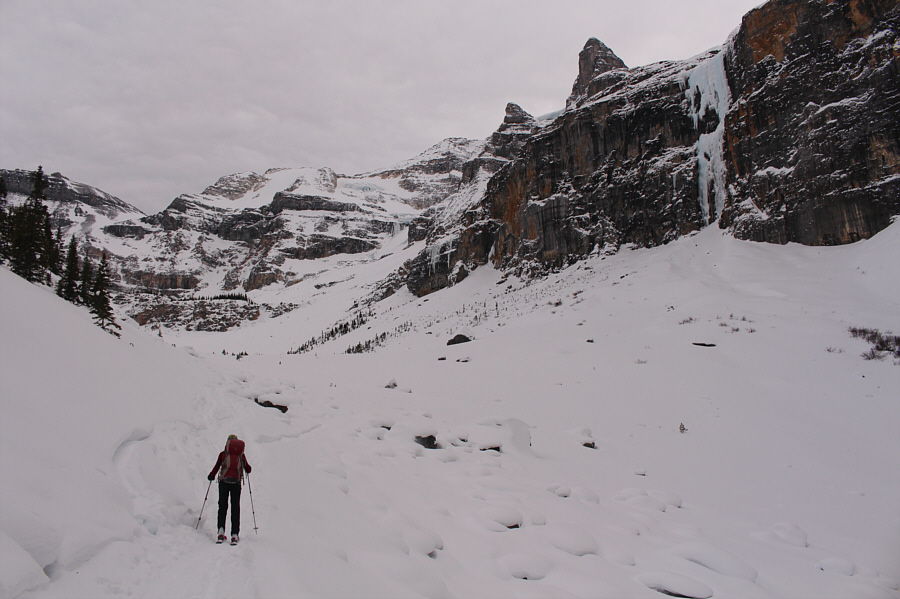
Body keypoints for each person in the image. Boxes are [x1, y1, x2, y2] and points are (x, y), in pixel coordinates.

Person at [208, 434, 252, 544]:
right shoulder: (241, 455)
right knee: (235, 507)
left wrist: (211, 476)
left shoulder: (223, 454)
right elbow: (248, 469)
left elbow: (216, 467)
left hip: (223, 483)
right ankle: (234, 535)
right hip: (236, 484)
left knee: (222, 506)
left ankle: (220, 532)